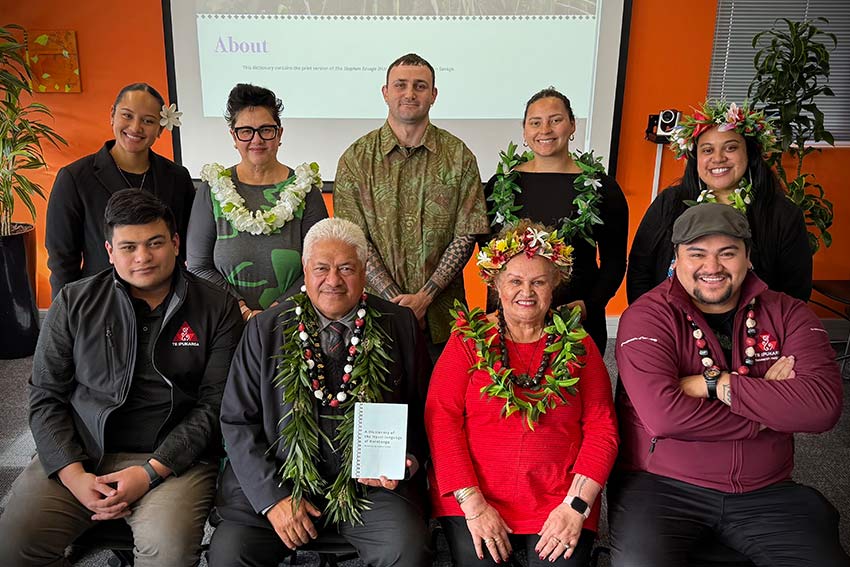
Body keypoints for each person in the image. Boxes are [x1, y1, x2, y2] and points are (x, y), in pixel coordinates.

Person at [0, 189, 244, 566]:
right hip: (81, 455)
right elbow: (45, 395)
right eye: (128, 247)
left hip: (173, 462)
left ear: (176, 243)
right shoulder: (73, 302)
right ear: (110, 252)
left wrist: (150, 473)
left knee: (169, 557)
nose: (143, 257)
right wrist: (73, 474)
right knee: (13, 548)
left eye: (155, 243)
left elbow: (215, 407)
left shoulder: (217, 307)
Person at [611, 203, 848, 566]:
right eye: (697, 254)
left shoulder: (789, 314)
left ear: (748, 256)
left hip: (764, 487)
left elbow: (822, 408)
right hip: (664, 485)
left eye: (727, 253)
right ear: (676, 257)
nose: (712, 267)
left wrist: (715, 384)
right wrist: (769, 408)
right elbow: (664, 416)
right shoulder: (647, 316)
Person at [208, 218, 433, 567]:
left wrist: (410, 459)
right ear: (304, 269)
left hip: (370, 488)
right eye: (322, 268)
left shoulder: (399, 324)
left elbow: (424, 411)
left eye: (346, 268)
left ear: (365, 270)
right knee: (229, 555)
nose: (333, 281)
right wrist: (272, 500)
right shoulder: (264, 329)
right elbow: (237, 421)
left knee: (406, 549)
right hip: (281, 480)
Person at [426, 220, 619, 567]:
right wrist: (474, 505)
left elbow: (602, 430)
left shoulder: (580, 344)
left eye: (538, 282)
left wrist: (576, 507)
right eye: (514, 281)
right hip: (475, 497)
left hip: (559, 501)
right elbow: (441, 420)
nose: (526, 292)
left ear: (555, 284)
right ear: (496, 283)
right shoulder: (468, 340)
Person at [334, 53, 489, 362]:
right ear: (385, 92)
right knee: (379, 408)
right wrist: (396, 302)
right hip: (373, 316)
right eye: (400, 85)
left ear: (433, 95)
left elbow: (466, 235)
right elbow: (354, 241)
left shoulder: (459, 156)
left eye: (420, 86)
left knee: (442, 407)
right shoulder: (355, 159)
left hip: (443, 319)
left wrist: (425, 297)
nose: (409, 93)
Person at [484, 87, 628, 353]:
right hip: (511, 318)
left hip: (575, 318)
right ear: (525, 131)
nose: (545, 130)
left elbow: (615, 262)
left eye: (556, 120)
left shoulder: (602, 189)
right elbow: (488, 255)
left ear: (572, 125)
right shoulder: (500, 185)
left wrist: (588, 306)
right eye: (535, 122)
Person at [626, 100, 812, 304]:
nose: (718, 158)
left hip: (753, 329)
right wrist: (647, 320)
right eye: (707, 150)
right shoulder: (669, 203)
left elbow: (795, 291)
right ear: (695, 158)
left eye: (730, 148)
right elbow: (639, 271)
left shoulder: (782, 214)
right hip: (670, 325)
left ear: (749, 154)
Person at [188, 83, 328, 323]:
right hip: (225, 322)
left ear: (279, 134)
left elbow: (321, 265)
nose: (257, 139)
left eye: (266, 130)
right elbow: (199, 267)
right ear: (233, 135)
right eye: (246, 131)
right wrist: (243, 311)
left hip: (293, 323)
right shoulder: (211, 190)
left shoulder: (306, 191)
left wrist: (273, 313)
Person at [46, 82, 194, 298]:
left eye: (148, 121)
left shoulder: (177, 177)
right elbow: (62, 261)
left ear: (161, 128)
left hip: (167, 302)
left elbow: (187, 248)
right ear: (112, 116)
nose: (135, 127)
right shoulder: (74, 178)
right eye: (127, 116)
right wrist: (65, 318)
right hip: (101, 302)